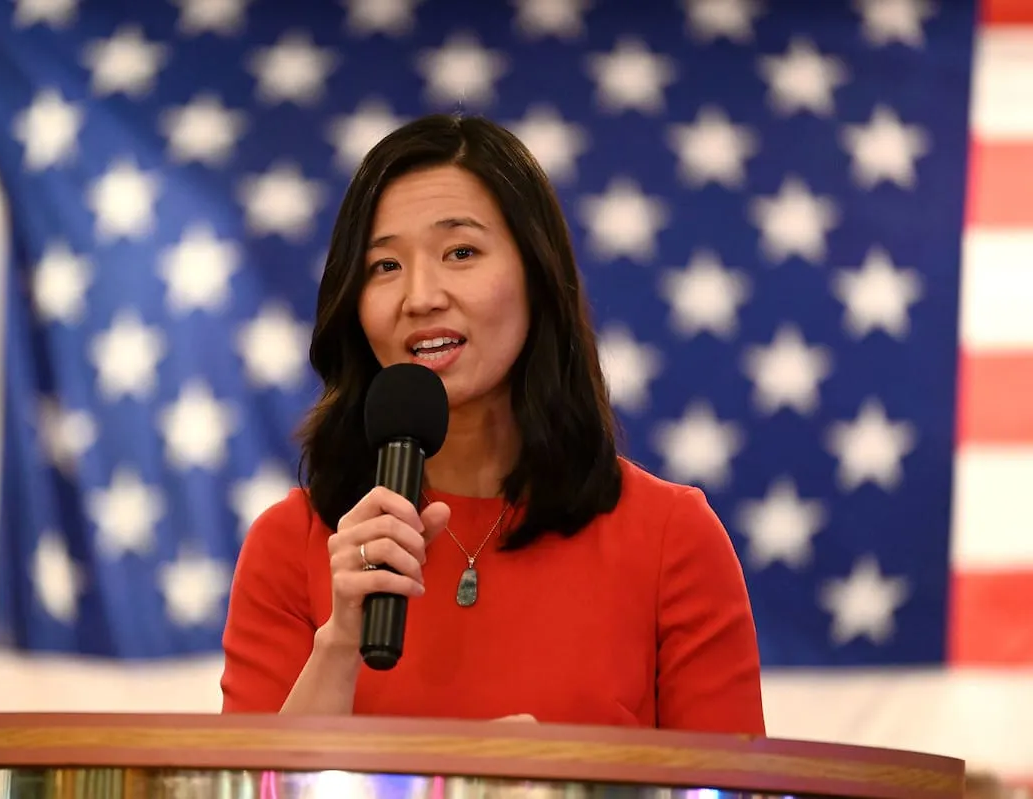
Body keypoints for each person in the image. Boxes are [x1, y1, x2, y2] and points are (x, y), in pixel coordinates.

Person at [219, 113, 765, 734]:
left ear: (537, 274)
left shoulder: (672, 537)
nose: (421, 297)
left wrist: (543, 777)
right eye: (385, 266)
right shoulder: (291, 545)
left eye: (461, 252)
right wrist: (340, 643)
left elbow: (728, 777)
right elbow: (252, 776)